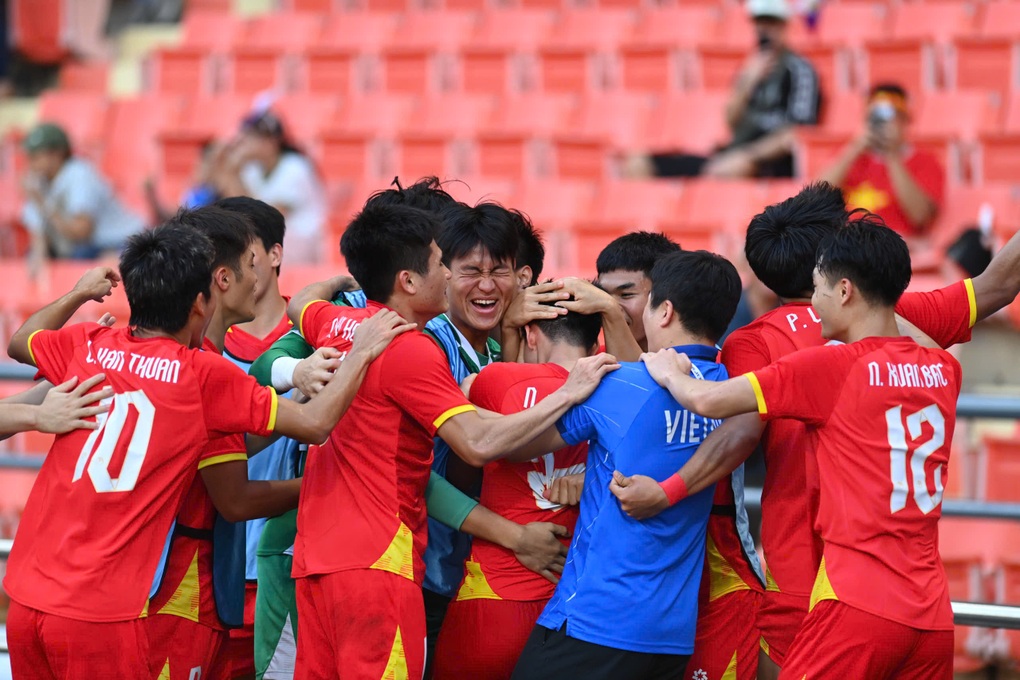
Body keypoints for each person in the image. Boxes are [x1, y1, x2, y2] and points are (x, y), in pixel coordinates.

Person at [611, 181, 1020, 679]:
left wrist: (667, 485)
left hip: (817, 582)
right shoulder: (901, 325)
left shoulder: (765, 345)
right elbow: (999, 283)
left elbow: (735, 434)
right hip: (923, 600)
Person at [1, 213, 410, 678]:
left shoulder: (89, 342)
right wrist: (361, 351)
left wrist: (77, 293)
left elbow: (19, 342)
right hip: (101, 612)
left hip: (26, 599)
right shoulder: (202, 375)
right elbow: (315, 425)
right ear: (201, 302)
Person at [289, 202, 615, 679]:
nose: (451, 275)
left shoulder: (341, 324)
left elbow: (300, 303)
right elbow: (478, 444)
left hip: (315, 559)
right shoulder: (412, 348)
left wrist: (344, 284)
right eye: (444, 264)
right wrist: (566, 393)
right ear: (408, 280)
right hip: (379, 560)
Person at [495, 251, 739, 680]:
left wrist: (567, 390)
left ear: (663, 311)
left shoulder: (620, 384)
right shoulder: (730, 392)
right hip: (671, 635)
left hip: (596, 619)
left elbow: (512, 447)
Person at [145, 208, 300, 679]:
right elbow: (233, 496)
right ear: (223, 276)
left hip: (234, 579)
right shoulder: (199, 370)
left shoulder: (173, 357)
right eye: (247, 263)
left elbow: (224, 444)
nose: (256, 276)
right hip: (177, 583)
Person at [432, 304, 600, 680]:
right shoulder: (617, 389)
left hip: (494, 595)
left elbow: (459, 456)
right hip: (577, 607)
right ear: (595, 344)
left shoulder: (491, 380)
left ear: (532, 334)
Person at [212, 196, 303, 679]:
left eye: (240, 246)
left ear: (273, 253)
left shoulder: (317, 338)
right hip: (212, 571)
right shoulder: (198, 351)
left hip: (287, 571)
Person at [627, 0, 820, 179]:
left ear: (784, 26)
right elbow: (730, 121)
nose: (764, 30)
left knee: (727, 172)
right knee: (638, 164)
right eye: (759, 23)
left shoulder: (800, 70)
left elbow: (797, 132)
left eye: (771, 23)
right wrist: (746, 83)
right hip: (731, 153)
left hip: (767, 161)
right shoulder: (750, 68)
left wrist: (748, 156)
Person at [819, 83, 943, 239]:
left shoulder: (925, 162)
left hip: (892, 245)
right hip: (845, 243)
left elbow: (920, 216)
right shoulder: (848, 156)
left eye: (891, 117)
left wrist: (892, 155)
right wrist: (855, 148)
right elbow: (817, 198)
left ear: (905, 121)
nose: (881, 125)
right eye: (874, 118)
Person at [20, 122, 145, 271]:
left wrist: (43, 202)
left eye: (36, 157)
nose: (32, 164)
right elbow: (39, 242)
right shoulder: (40, 182)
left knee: (79, 259)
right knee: (33, 258)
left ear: (57, 153)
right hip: (89, 246)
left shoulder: (79, 174)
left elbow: (82, 232)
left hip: (121, 241)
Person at [213, 109, 326, 264]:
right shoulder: (252, 169)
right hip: (276, 246)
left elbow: (265, 219)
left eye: (252, 137)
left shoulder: (295, 167)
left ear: (272, 141)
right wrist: (231, 172)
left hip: (302, 245)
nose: (245, 142)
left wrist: (234, 174)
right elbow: (238, 210)